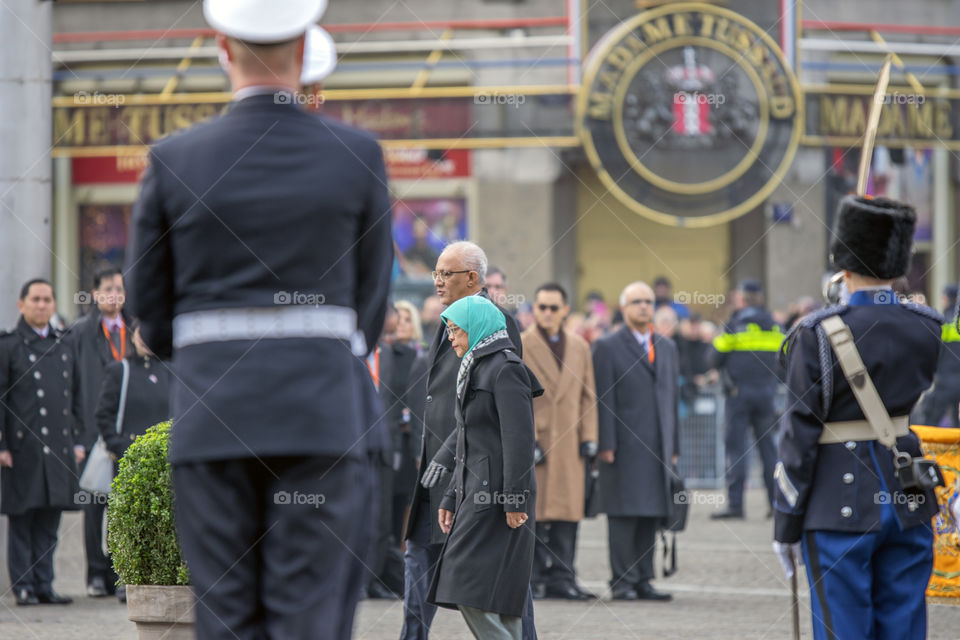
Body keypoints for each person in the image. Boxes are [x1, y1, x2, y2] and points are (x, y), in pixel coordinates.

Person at [124, 0, 394, 636]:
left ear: (221, 48)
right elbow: (371, 307)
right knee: (309, 619)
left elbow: (150, 312)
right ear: (304, 48)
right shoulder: (357, 155)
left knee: (227, 618)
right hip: (322, 423)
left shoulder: (173, 160)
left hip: (213, 422)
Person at [773, 196, 942, 640]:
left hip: (838, 502)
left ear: (843, 270)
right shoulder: (926, 324)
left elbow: (799, 435)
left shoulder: (816, 332)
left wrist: (785, 520)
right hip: (909, 493)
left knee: (844, 629)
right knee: (904, 625)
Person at [401, 240, 534, 640]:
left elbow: (504, 416)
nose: (437, 281)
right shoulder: (446, 319)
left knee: (496, 580)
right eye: (436, 273)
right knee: (419, 560)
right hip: (435, 471)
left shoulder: (495, 321)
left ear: (473, 278)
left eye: (446, 273)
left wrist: (514, 495)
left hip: (474, 473)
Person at [428, 296, 541, 640]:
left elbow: (519, 441)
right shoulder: (475, 365)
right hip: (475, 493)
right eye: (449, 330)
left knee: (466, 581)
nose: (450, 338)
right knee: (498, 596)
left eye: (456, 330)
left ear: (476, 327)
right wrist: (449, 496)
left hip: (499, 497)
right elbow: (468, 439)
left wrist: (515, 501)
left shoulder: (506, 369)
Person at [592, 281, 678, 601]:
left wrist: (675, 446)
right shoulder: (607, 346)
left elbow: (672, 398)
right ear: (624, 307)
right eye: (637, 302)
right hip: (623, 446)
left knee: (651, 513)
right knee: (624, 514)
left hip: (658, 446)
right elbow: (603, 399)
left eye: (648, 301)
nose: (644, 307)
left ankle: (643, 579)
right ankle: (622, 581)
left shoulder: (666, 346)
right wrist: (606, 443)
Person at [0, 279, 83, 606]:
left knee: (50, 520)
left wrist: (78, 439)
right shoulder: (8, 345)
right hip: (21, 449)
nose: (42, 305)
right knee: (23, 520)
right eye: (35, 299)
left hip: (59, 448)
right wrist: (1, 444)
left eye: (47, 299)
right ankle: (23, 586)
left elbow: (76, 396)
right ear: (22, 304)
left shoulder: (64, 343)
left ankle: (45, 584)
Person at [520, 283, 598, 600]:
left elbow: (588, 396)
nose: (548, 313)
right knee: (536, 516)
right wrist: (527, 440)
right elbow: (516, 398)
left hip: (569, 445)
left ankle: (563, 577)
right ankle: (535, 579)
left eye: (554, 307)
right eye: (542, 307)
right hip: (536, 444)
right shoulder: (522, 344)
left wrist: (590, 438)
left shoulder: (580, 347)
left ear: (565, 310)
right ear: (534, 310)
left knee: (568, 515)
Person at [66, 266, 135, 597]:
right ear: (94, 294)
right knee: (94, 504)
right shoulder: (80, 332)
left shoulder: (135, 329)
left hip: (129, 430)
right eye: (107, 289)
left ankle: (121, 572)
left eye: (119, 289)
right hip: (92, 429)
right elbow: (70, 383)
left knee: (124, 506)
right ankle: (96, 573)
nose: (114, 295)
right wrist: (76, 431)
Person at [94, 324, 171, 602]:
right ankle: (125, 578)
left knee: (160, 518)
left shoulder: (169, 369)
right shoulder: (120, 370)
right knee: (126, 520)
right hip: (127, 456)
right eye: (142, 334)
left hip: (164, 460)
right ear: (134, 337)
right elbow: (103, 414)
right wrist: (120, 447)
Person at [710, 280, 783, 520]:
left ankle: (735, 506)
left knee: (736, 450)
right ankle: (775, 505)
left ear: (742, 299)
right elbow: (786, 360)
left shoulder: (734, 326)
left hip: (738, 396)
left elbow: (713, 358)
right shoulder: (775, 326)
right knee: (769, 451)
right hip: (766, 396)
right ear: (761, 299)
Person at [920, 283, 960, 428]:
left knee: (930, 423)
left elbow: (931, 352)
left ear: (945, 298)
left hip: (943, 381)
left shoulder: (940, 322)